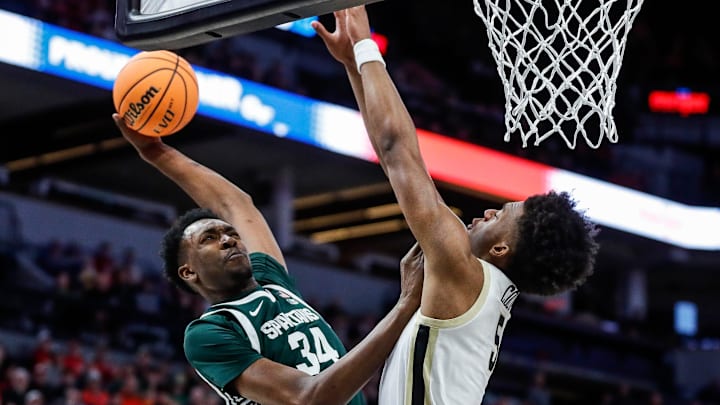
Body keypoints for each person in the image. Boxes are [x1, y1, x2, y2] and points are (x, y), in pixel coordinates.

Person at [312, 6, 600, 403]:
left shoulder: (467, 276)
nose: (486, 214)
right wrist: (354, 62)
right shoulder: (479, 290)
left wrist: (365, 45)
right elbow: (390, 150)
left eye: (500, 215)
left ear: (501, 249)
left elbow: (397, 149)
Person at [111, 113, 424, 405]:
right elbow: (308, 398)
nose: (228, 239)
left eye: (229, 233)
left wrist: (157, 153)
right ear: (189, 272)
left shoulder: (272, 282)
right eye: (209, 238)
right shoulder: (210, 333)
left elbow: (235, 203)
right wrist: (405, 304)